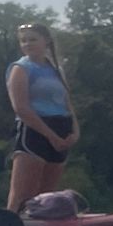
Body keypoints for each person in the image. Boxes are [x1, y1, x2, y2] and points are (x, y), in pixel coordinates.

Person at [5, 23, 79, 212]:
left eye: (32, 39)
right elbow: (21, 108)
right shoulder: (21, 68)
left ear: (46, 41)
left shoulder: (56, 70)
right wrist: (50, 136)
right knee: (23, 194)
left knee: (46, 196)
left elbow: (66, 102)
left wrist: (75, 131)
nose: (27, 44)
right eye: (23, 41)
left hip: (61, 127)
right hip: (34, 130)